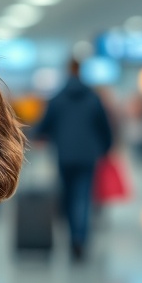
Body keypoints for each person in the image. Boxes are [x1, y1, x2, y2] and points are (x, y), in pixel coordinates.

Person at [33, 59, 112, 261]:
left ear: (67, 71)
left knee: (68, 197)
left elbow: (44, 126)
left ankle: (72, 236)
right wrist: (106, 148)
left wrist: (34, 136)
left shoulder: (57, 98)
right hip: (88, 156)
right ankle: (79, 240)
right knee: (83, 197)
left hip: (64, 155)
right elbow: (104, 126)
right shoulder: (93, 97)